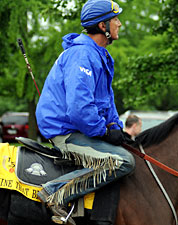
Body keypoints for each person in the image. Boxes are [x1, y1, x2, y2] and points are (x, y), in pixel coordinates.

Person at [35, 0, 135, 224]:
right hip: (66, 134)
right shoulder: (82, 55)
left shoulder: (99, 55)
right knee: (123, 162)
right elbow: (79, 109)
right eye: (115, 19)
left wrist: (116, 129)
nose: (119, 23)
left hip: (81, 131)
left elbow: (106, 102)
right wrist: (104, 132)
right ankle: (54, 193)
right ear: (103, 26)